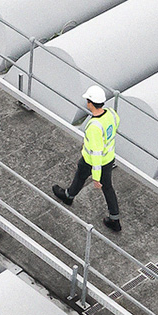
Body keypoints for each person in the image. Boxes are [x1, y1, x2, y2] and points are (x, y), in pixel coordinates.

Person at [53, 85, 122, 231]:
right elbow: (116, 124)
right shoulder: (111, 113)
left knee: (80, 176)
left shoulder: (94, 126)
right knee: (108, 188)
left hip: (92, 161)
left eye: (87, 100)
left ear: (90, 103)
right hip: (108, 159)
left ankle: (68, 196)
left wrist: (96, 177)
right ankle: (114, 219)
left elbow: (96, 153)